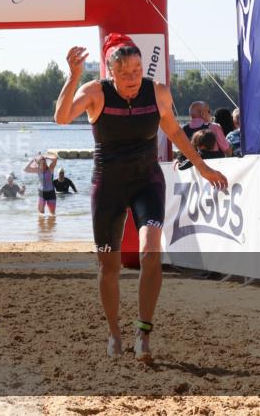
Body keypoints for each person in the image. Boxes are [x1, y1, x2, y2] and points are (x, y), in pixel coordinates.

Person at [54, 33, 228, 362]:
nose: (133, 78)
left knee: (151, 251)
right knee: (109, 265)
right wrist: (73, 76)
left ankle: (143, 333)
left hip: (147, 181)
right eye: (124, 73)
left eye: (137, 70)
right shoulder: (95, 92)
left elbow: (175, 132)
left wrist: (203, 169)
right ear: (110, 73)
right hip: (108, 185)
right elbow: (61, 118)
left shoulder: (157, 92)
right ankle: (114, 332)